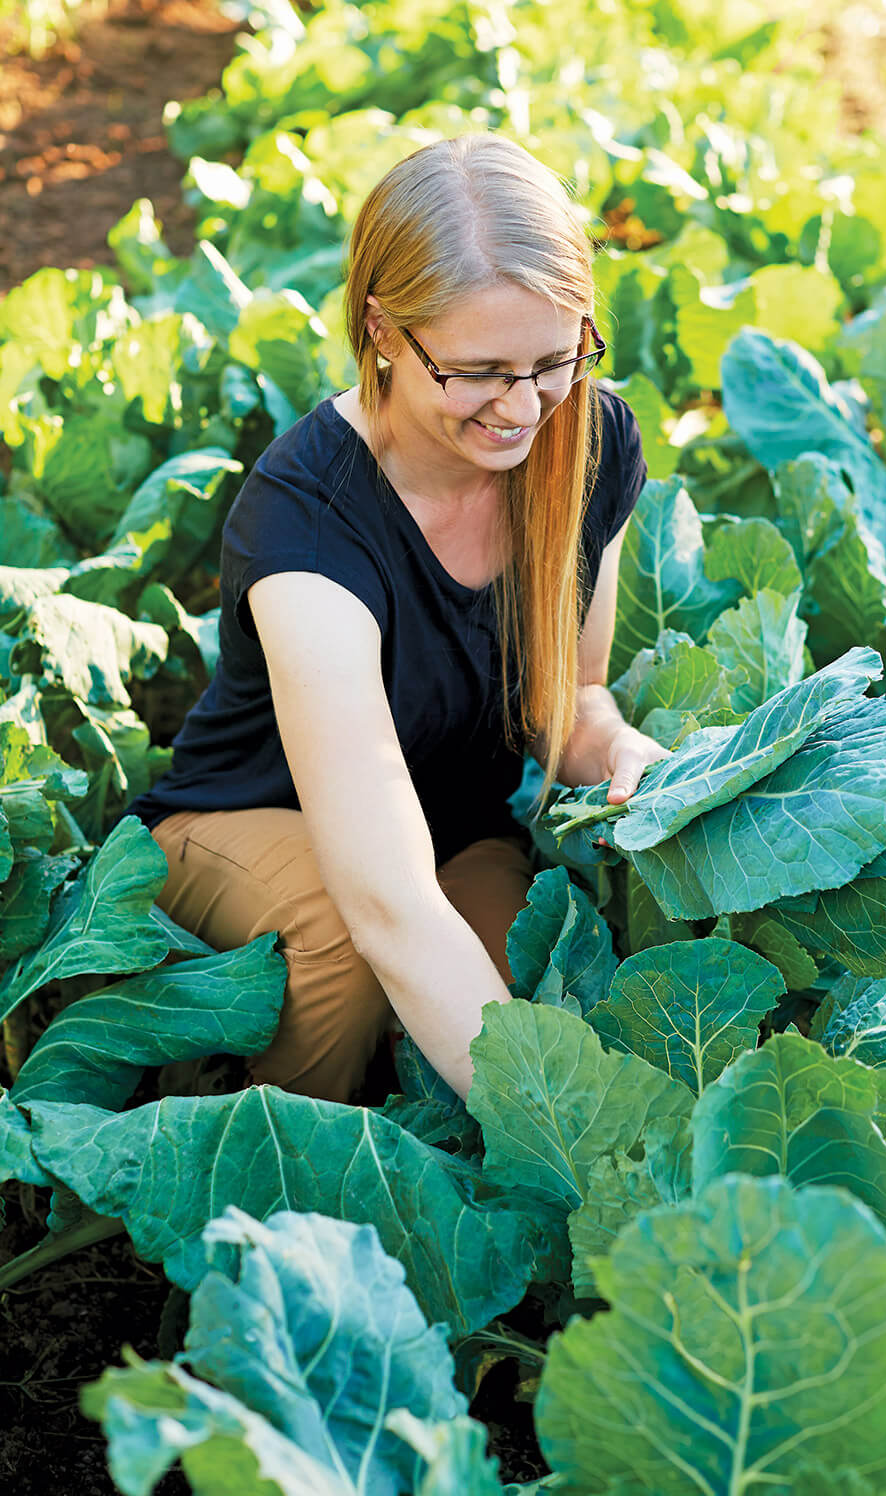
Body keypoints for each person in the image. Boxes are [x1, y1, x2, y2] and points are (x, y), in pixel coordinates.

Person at [122, 133, 667, 1105]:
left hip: (453, 830)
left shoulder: (588, 436)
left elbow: (571, 696)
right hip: (240, 821)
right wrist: (550, 1134)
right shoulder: (307, 520)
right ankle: (276, 1181)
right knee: (344, 941)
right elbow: (385, 899)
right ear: (381, 329)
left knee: (536, 1002)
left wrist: (623, 748)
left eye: (554, 359)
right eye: (478, 370)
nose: (524, 405)